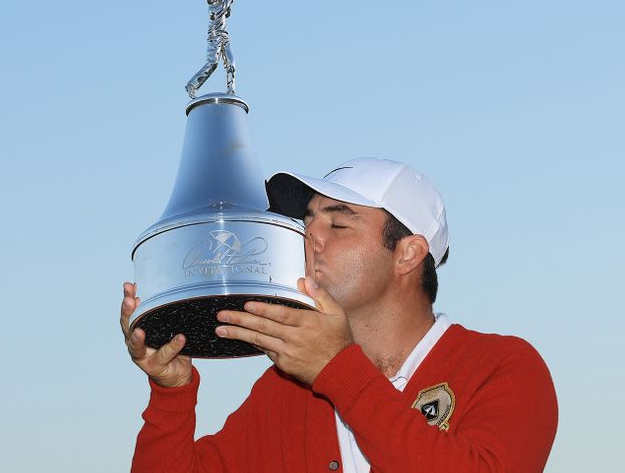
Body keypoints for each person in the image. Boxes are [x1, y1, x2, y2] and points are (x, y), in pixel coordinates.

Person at [121, 157, 558, 472]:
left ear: (408, 253)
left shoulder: (502, 366)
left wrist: (336, 369)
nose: (307, 238)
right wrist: (171, 393)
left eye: (338, 224)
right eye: (306, 223)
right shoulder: (284, 388)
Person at [185, 0, 236, 99]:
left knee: (231, 62)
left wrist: (229, 1)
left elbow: (226, 13)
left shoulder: (221, 6)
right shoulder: (212, 8)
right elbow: (223, 8)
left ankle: (231, 88)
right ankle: (192, 84)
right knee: (212, 64)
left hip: (224, 37)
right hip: (214, 38)